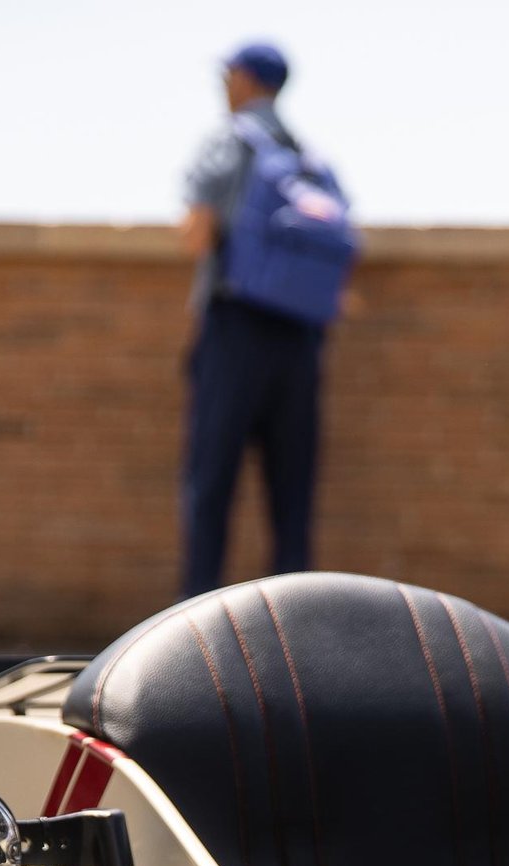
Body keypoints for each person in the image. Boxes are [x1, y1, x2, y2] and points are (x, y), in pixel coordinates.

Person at [177, 42, 329, 600]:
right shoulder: (306, 154)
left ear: (244, 79)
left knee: (211, 483)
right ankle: (298, 627)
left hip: (236, 325)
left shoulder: (232, 138)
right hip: (301, 333)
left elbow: (199, 230)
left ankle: (194, 625)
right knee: (291, 492)